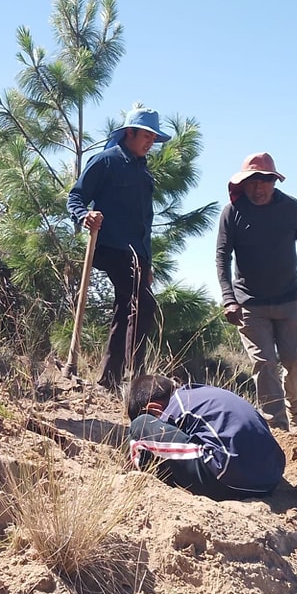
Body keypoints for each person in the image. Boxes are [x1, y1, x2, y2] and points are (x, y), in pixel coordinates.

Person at [216, 152, 297, 434]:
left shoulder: (292, 208)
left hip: (289, 299)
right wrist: (229, 298)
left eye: (265, 181)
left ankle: (296, 412)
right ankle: (276, 426)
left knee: (296, 361)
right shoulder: (233, 213)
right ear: (243, 183)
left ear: (274, 182)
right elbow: (222, 256)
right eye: (252, 181)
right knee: (265, 364)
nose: (259, 188)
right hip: (250, 303)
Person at [66, 107, 170, 389]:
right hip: (112, 246)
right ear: (129, 133)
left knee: (126, 308)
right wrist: (84, 216)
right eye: (146, 136)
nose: (150, 142)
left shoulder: (143, 171)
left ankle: (109, 378)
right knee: (144, 304)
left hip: (137, 253)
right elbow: (76, 197)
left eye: (153, 138)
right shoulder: (106, 161)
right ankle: (137, 376)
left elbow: (145, 223)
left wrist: (148, 264)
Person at [126, 374, 286, 499]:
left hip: (228, 476)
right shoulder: (205, 394)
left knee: (140, 424)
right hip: (270, 479)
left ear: (155, 408)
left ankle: (146, 482)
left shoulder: (177, 405)